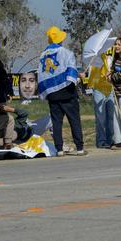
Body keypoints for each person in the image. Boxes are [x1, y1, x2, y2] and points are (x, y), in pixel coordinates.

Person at [38, 26, 86, 156]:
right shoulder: (66, 52)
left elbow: (42, 75)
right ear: (60, 39)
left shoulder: (42, 55)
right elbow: (71, 70)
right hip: (67, 91)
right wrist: (76, 79)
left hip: (52, 94)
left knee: (56, 122)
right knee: (74, 120)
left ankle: (59, 149)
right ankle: (80, 148)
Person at [85, 51, 115, 149]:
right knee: (101, 118)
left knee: (111, 117)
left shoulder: (111, 57)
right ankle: (101, 141)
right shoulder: (94, 57)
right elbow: (89, 73)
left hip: (110, 88)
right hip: (98, 89)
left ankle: (111, 140)